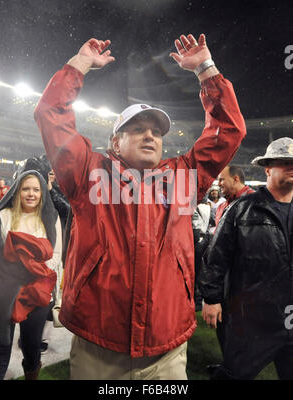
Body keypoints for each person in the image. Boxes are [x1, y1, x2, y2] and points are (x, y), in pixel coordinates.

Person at [34, 34, 246, 380]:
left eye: (156, 132)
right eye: (137, 129)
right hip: (98, 345)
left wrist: (206, 70)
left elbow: (229, 130)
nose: (150, 136)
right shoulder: (88, 171)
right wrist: (81, 62)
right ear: (115, 141)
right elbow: (51, 113)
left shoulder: (184, 176)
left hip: (167, 347)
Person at [199, 137, 293, 380]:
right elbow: (216, 255)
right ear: (268, 168)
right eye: (284, 162)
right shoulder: (242, 207)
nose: (291, 167)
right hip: (251, 318)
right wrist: (211, 298)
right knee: (234, 374)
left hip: (291, 316)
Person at [0, 170, 62, 380]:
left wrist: (27, 266)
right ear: (16, 191)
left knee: (32, 347)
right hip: (3, 292)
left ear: (42, 193)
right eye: (25, 189)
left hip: (37, 293)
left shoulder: (50, 218)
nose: (31, 194)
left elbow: (56, 255)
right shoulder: (1, 216)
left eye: (36, 189)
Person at [203, 165, 254, 375]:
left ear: (235, 178)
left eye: (222, 180)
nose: (219, 184)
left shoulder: (255, 203)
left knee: (243, 325)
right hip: (225, 274)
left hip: (245, 277)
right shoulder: (224, 204)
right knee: (225, 323)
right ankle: (229, 364)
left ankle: (239, 368)